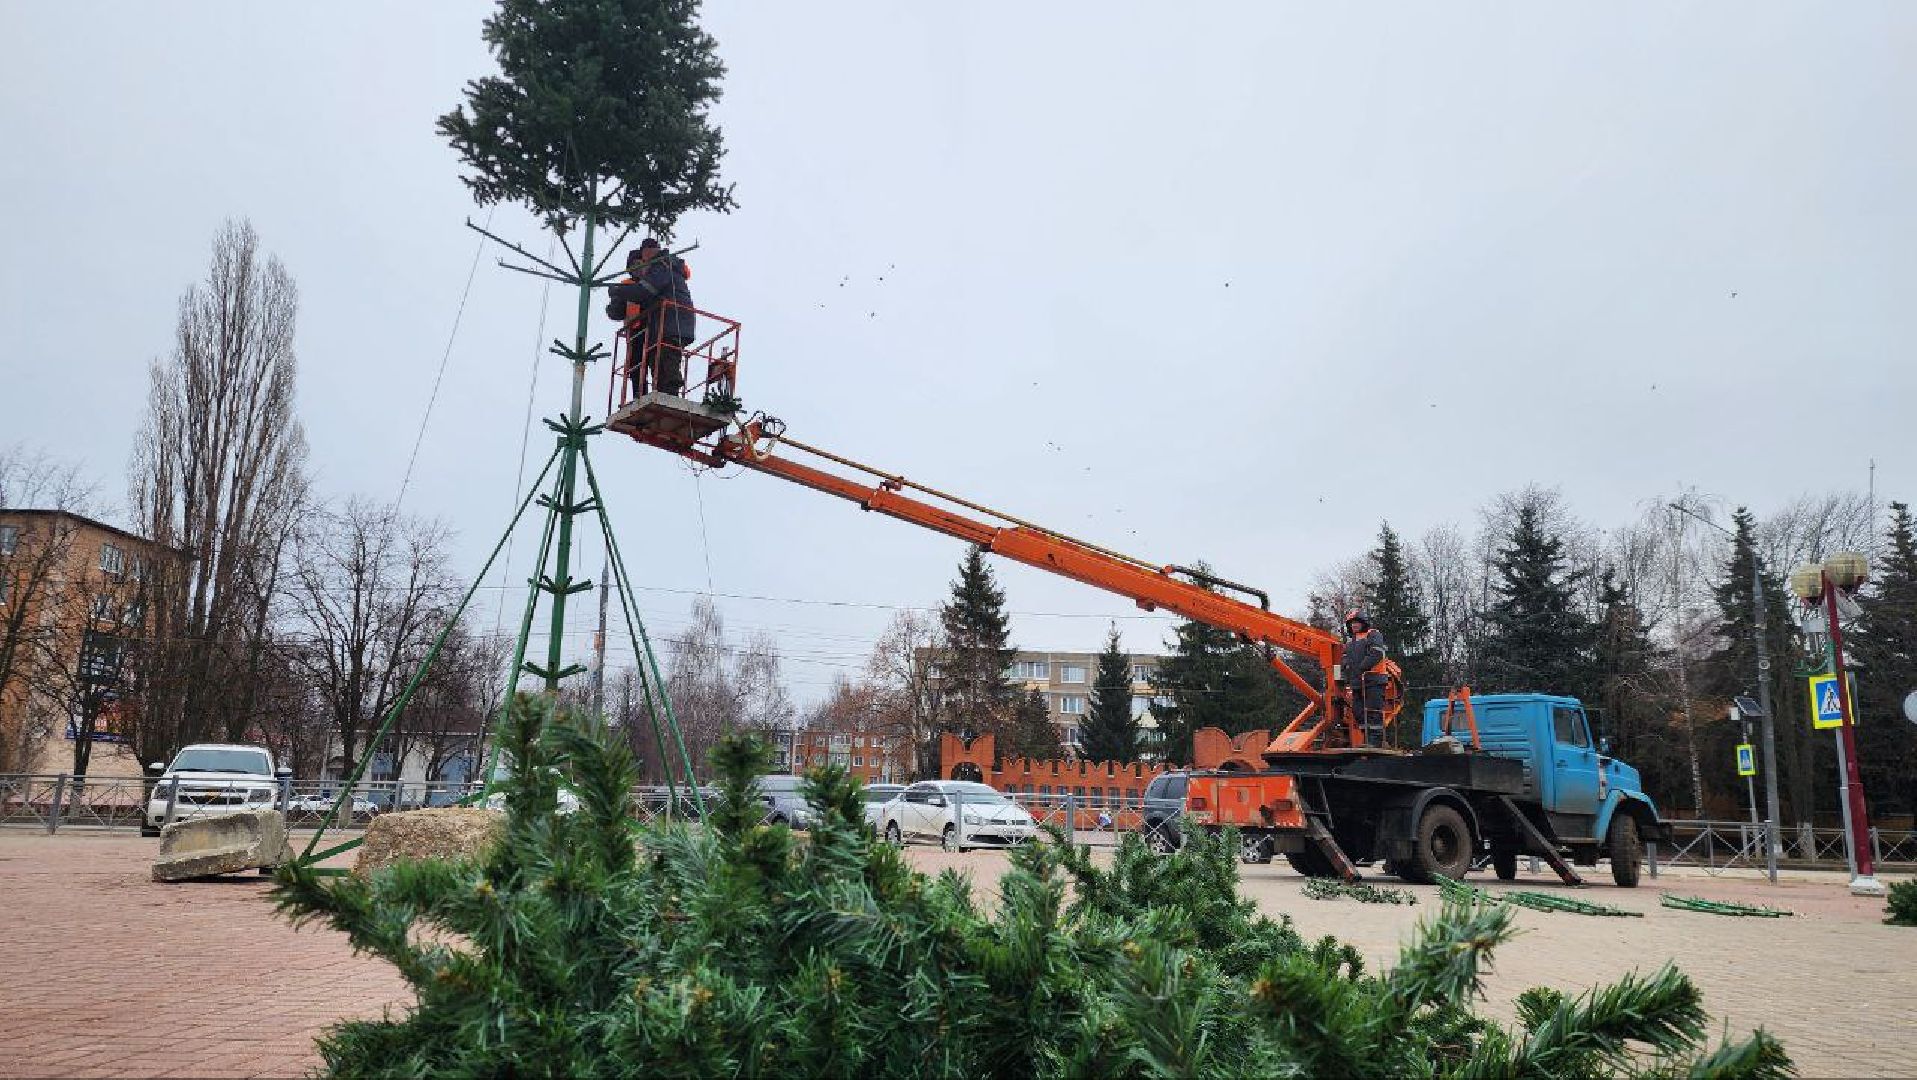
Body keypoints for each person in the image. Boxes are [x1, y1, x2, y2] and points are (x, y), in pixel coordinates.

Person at [604, 238, 696, 396]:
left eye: (640, 263)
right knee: (643, 366)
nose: (638, 268)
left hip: (663, 326)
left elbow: (643, 292)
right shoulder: (632, 283)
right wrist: (616, 300)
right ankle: (646, 395)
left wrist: (618, 291)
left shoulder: (660, 270)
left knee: (666, 361)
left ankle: (667, 394)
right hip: (642, 333)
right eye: (633, 266)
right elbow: (617, 311)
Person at [1339, 610, 1390, 747]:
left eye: (1356, 622)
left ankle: (1375, 742)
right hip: (1357, 683)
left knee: (1374, 711)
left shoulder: (1373, 634)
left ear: (1363, 622)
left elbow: (1376, 654)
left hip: (1374, 680)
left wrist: (1360, 668)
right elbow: (1344, 661)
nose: (1354, 625)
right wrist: (1343, 676)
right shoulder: (1350, 643)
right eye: (1351, 623)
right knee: (1358, 712)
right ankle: (1368, 740)